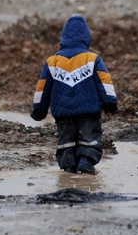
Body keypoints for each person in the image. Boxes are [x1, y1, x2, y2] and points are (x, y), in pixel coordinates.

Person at [30, 15, 118, 174]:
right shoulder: (92, 59)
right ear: (86, 37)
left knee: (66, 140)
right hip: (88, 111)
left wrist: (39, 110)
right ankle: (86, 161)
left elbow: (42, 88)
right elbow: (105, 82)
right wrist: (110, 103)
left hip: (63, 113)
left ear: (63, 37)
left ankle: (68, 166)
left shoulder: (53, 61)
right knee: (90, 137)